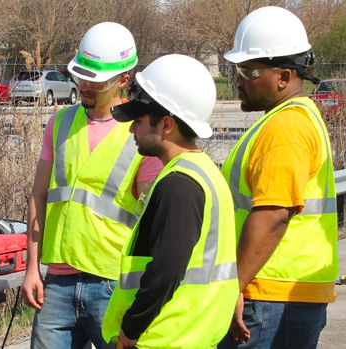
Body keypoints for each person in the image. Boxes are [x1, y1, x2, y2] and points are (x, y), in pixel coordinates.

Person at [20, 22, 163, 348]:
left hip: (112, 285)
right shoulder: (60, 123)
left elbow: (154, 222)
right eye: (80, 75)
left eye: (95, 81)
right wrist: (31, 269)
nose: (84, 84)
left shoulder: (141, 133)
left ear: (123, 80)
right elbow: (38, 196)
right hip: (57, 285)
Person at [217, 6, 338, 349]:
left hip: (270, 294)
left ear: (283, 77)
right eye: (236, 69)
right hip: (278, 291)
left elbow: (273, 215)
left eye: (248, 71)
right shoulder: (288, 119)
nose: (238, 79)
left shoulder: (287, 127)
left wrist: (234, 286)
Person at [100, 54, 239, 349]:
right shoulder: (205, 173)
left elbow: (166, 271)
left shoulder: (179, 184)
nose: (131, 129)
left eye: (137, 121)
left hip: (164, 339)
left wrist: (129, 331)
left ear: (166, 124)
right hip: (192, 336)